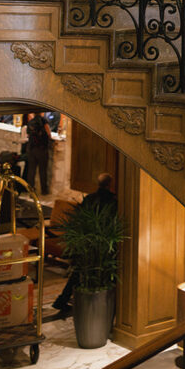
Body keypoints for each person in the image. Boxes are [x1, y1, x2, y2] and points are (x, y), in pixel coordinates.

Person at [52, 173, 118, 316]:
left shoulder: (90, 198)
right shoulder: (113, 201)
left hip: (86, 242)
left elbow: (80, 219)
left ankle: (62, 300)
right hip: (104, 245)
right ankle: (100, 307)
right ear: (110, 185)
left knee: (78, 272)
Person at [23, 112, 52, 195]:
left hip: (31, 149)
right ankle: (44, 191)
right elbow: (49, 134)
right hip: (42, 150)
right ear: (41, 112)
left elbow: (28, 134)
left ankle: (31, 191)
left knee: (31, 171)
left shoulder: (30, 122)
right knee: (43, 171)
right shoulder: (43, 121)